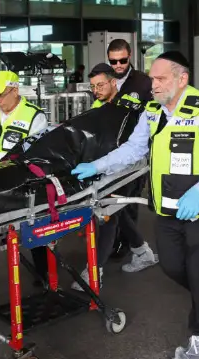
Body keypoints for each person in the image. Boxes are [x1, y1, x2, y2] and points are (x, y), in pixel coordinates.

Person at [71, 51, 199, 359]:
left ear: (182, 79)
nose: (154, 84)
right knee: (172, 266)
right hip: (168, 206)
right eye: (152, 78)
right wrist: (96, 165)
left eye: (161, 78)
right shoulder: (151, 112)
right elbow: (133, 150)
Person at [70, 64, 158, 291]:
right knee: (116, 209)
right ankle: (142, 252)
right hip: (104, 167)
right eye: (93, 86)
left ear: (113, 83)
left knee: (109, 213)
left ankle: (94, 272)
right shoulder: (98, 105)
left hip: (127, 167)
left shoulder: (127, 108)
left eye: (100, 85)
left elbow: (132, 146)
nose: (96, 90)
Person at [0, 70, 50, 291]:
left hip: (20, 184)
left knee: (33, 227)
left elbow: (36, 156)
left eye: (1, 95)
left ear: (15, 90)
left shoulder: (35, 117)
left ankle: (43, 273)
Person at [106, 38, 153, 103]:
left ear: (129, 56)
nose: (118, 65)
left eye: (123, 61)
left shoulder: (144, 81)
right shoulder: (103, 80)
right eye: (113, 61)